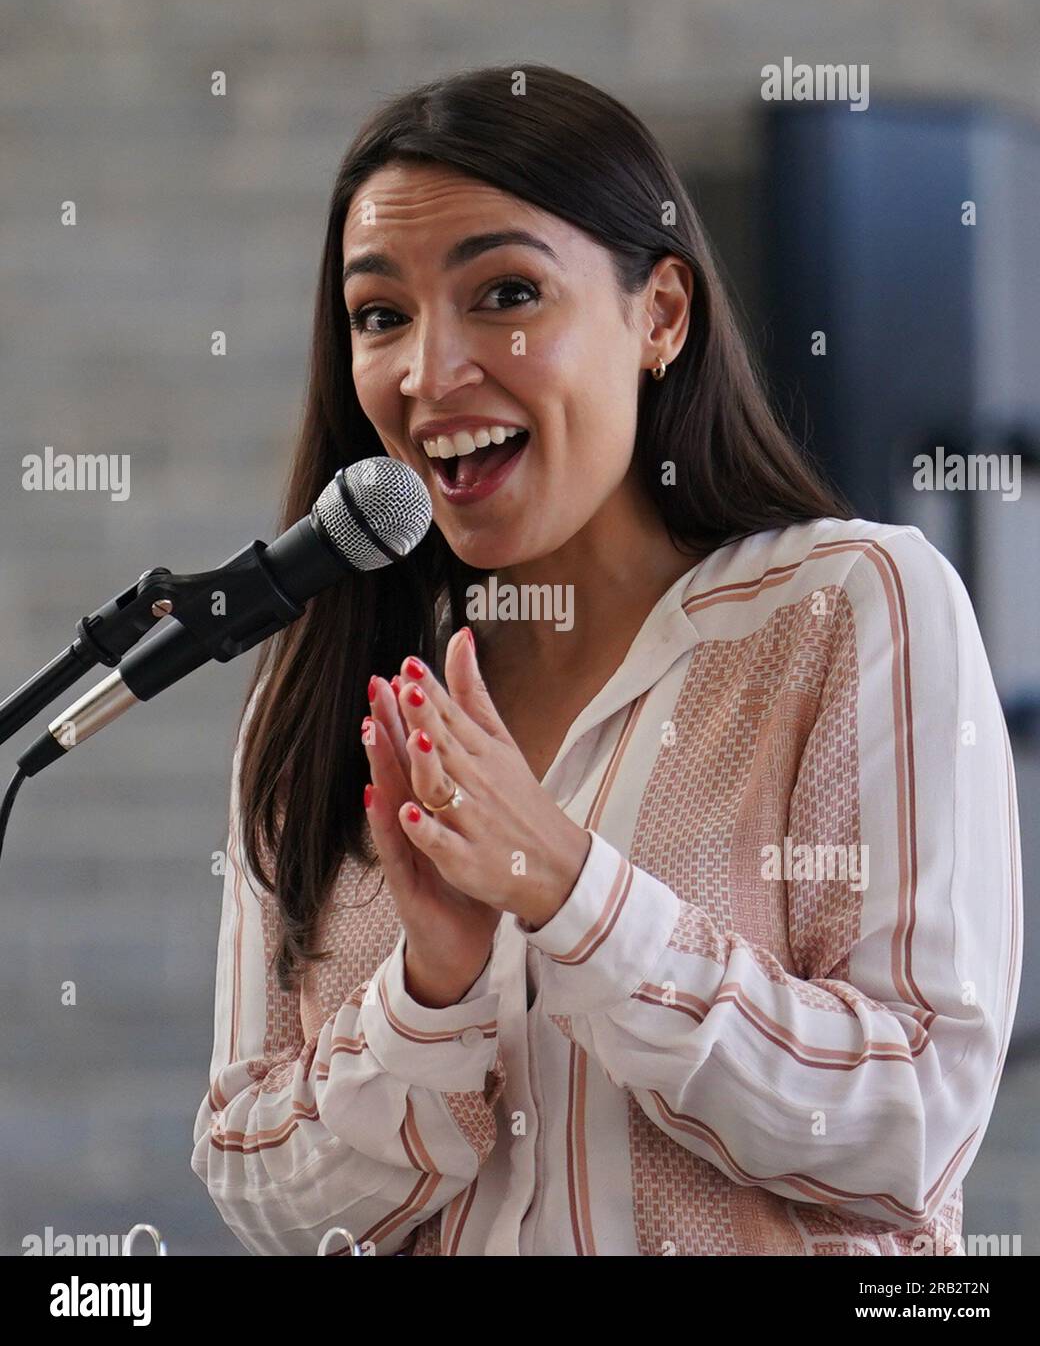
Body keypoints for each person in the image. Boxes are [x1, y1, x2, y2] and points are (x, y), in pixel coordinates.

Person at [191, 63, 1022, 1256]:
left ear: (660, 315)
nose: (430, 372)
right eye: (380, 314)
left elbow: (912, 1125)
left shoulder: (852, 605)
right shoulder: (325, 688)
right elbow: (251, 1175)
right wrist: (431, 993)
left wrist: (570, 893)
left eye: (505, 292)